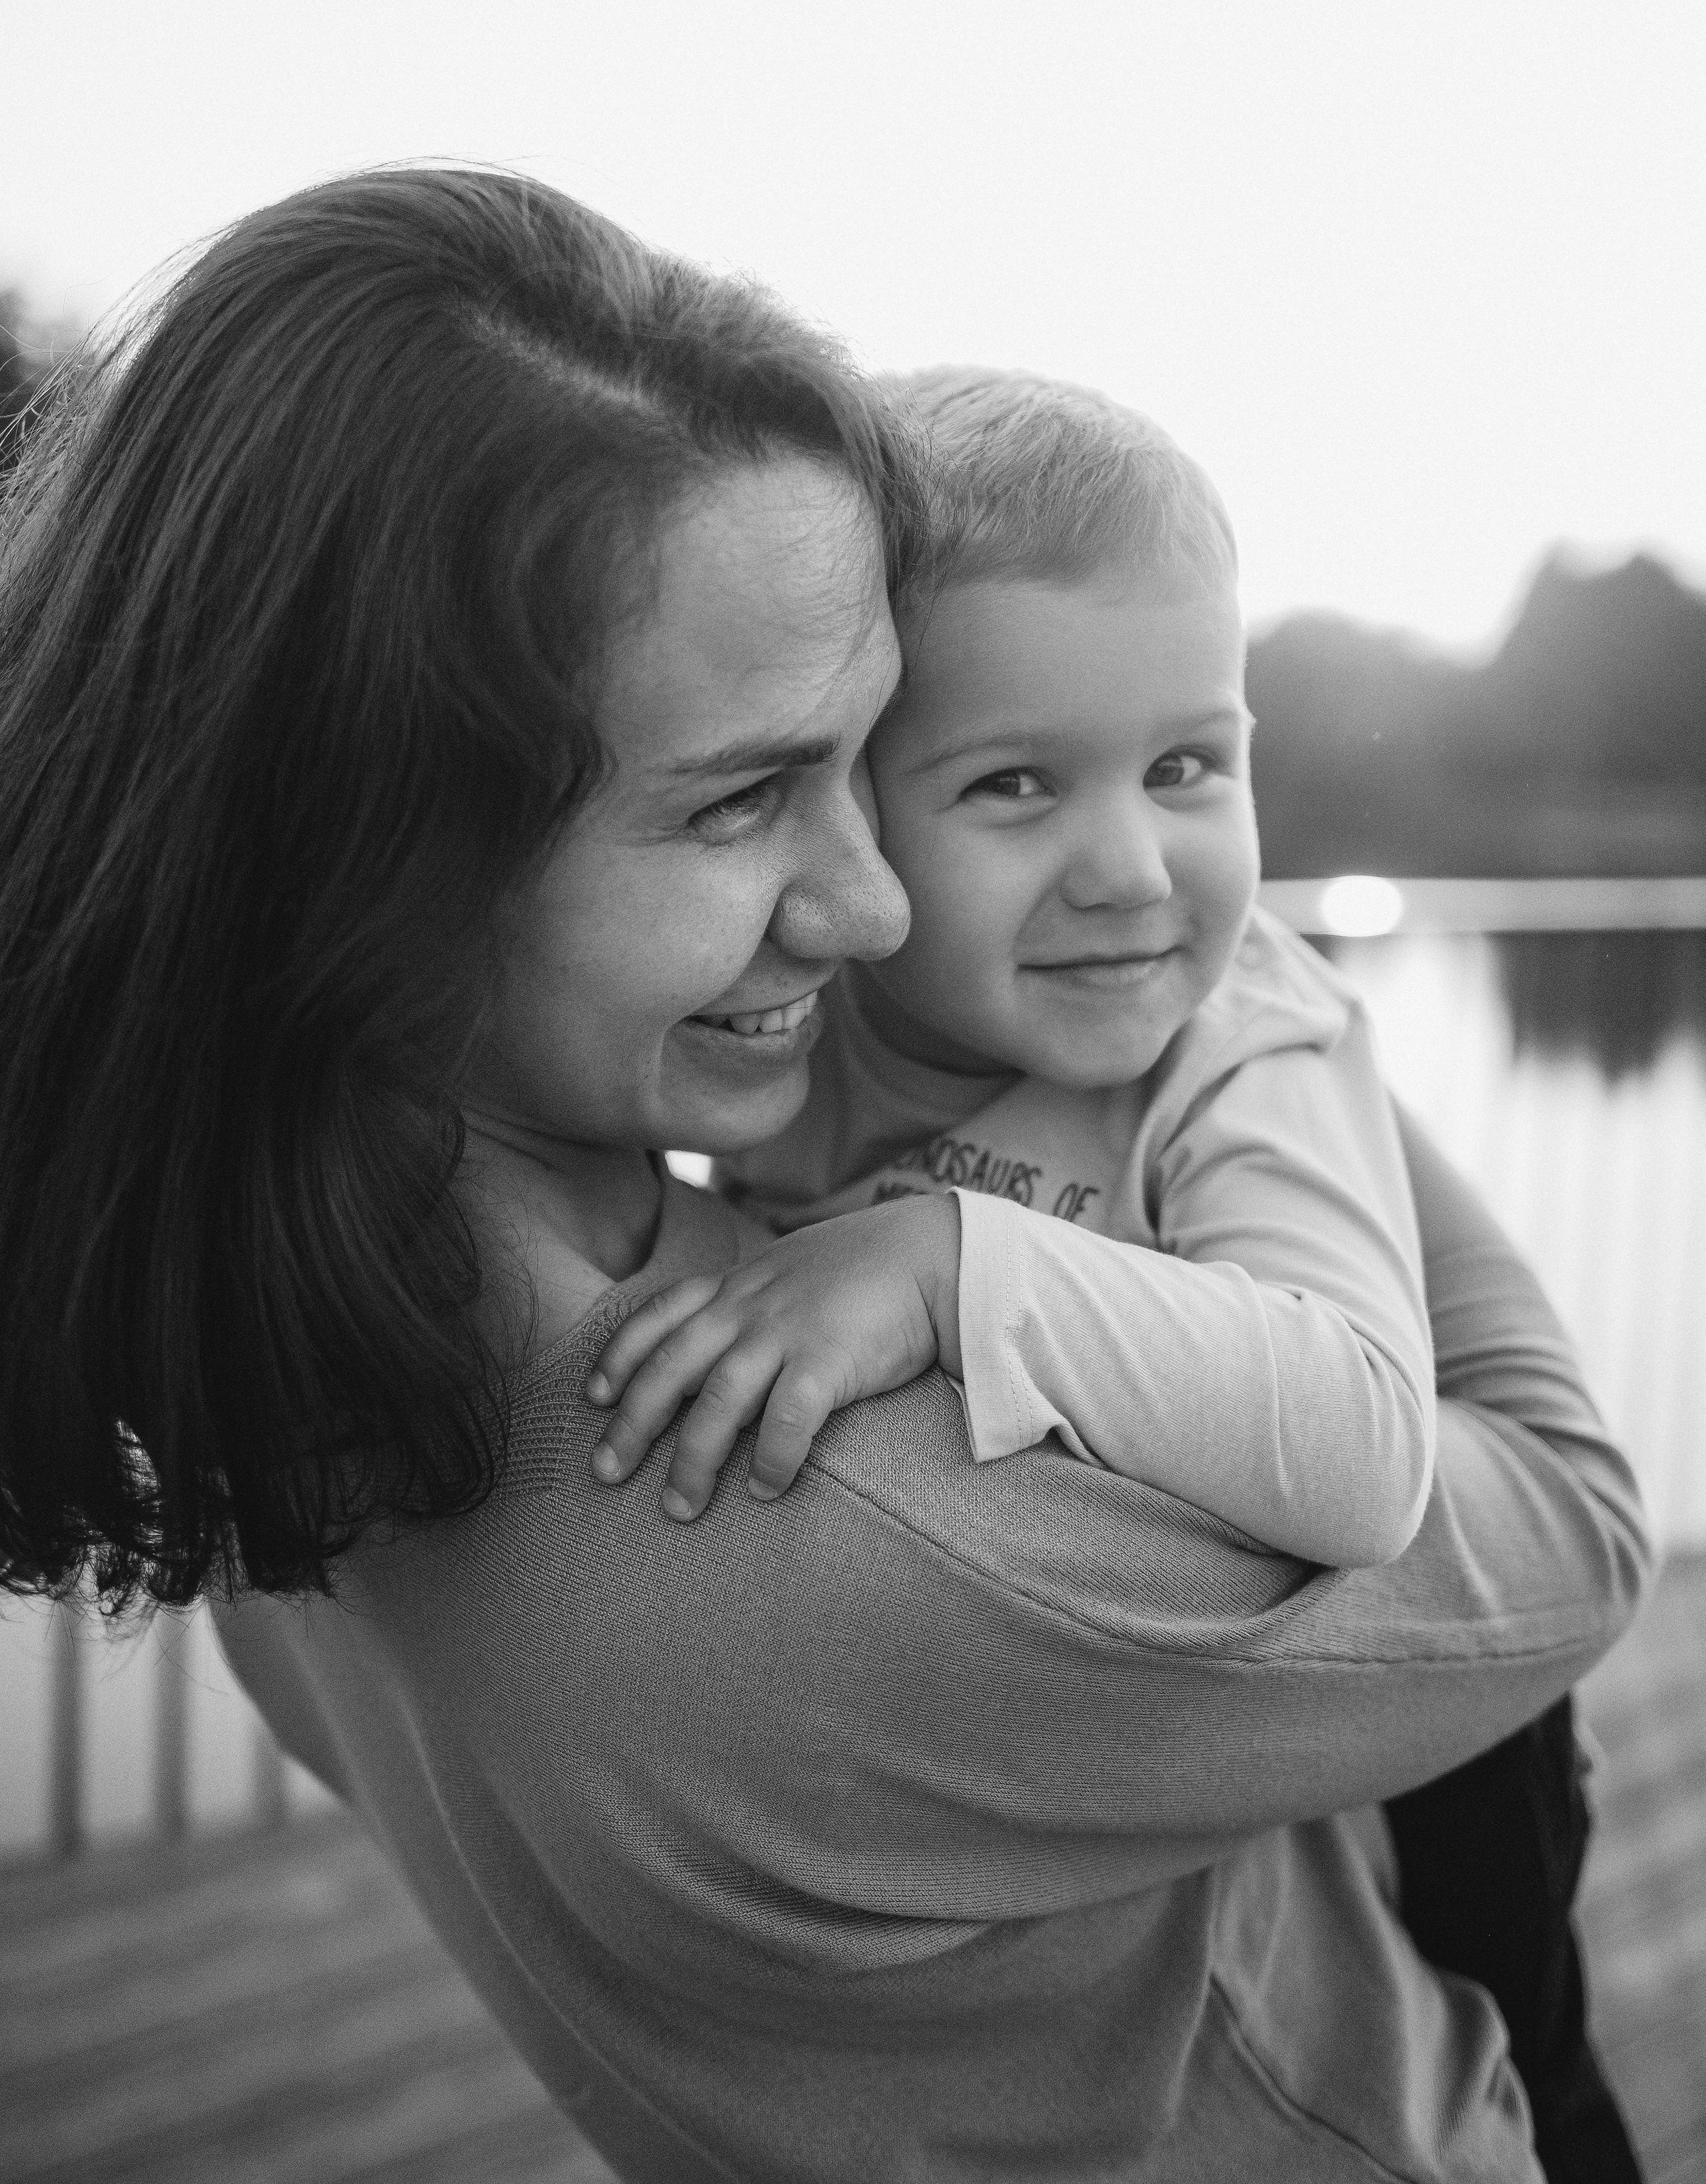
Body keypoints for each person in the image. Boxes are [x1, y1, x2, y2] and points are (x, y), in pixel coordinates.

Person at [0, 169, 1651, 2183]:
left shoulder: (263, 1382)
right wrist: (1251, 1015)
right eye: (744, 797)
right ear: (367, 862)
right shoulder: (839, 1545)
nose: (872, 909)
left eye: (868, 766)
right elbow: (1559, 1526)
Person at [589, 366, 1641, 2180]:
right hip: (1139, 1758)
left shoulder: (1241, 1046)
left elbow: (1368, 1444)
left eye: (1189, 766)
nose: (1137, 869)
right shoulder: (794, 1049)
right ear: (850, 813)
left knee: (1521, 2076)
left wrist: (945, 1264)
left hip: (1435, 1756)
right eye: (1014, 784)